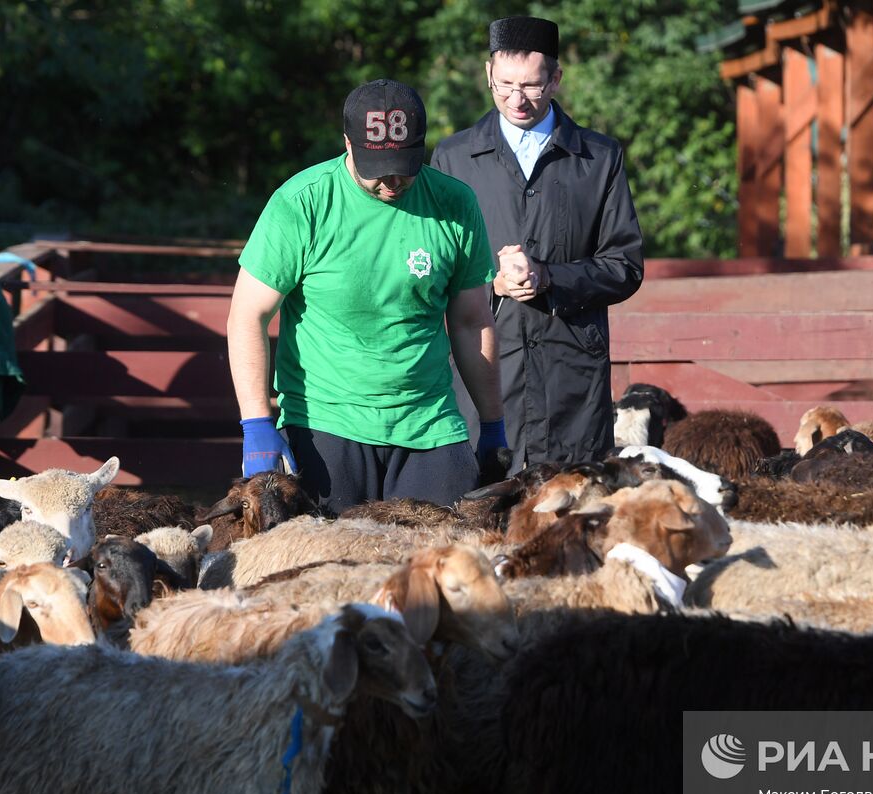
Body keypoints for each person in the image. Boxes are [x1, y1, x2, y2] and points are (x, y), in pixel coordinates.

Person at [227, 78, 507, 513]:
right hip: (327, 421)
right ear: (347, 144)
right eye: (379, 169)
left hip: (428, 420)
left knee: (443, 562)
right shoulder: (303, 203)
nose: (393, 181)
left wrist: (492, 424)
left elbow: (472, 321)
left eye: (405, 165)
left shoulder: (454, 204)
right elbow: (248, 315)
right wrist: (257, 423)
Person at [431, 16, 644, 471]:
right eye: (504, 84)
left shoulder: (599, 157)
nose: (516, 98)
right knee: (480, 507)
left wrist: (549, 276)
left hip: (571, 372)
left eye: (531, 85)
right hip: (484, 362)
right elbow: (434, 266)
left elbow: (624, 265)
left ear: (556, 79)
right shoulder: (453, 158)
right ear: (488, 74)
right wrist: (493, 283)